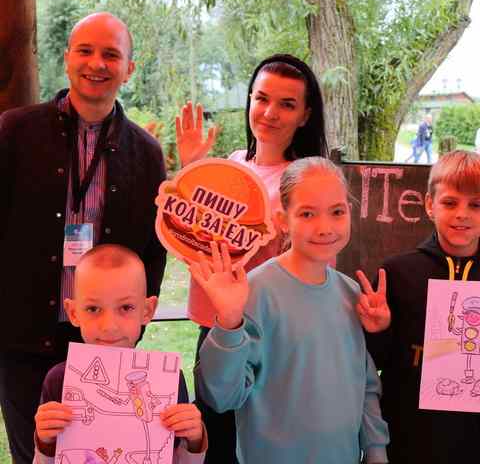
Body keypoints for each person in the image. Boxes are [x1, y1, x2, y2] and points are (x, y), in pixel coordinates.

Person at [0, 12, 167, 464]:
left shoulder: (147, 153)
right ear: (67, 57)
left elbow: (153, 253)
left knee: (103, 454)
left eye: (111, 54)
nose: (97, 63)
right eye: (85, 50)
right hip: (23, 337)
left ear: (129, 69)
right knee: (34, 452)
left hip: (103, 338)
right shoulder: (14, 131)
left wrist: (133, 325)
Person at [173, 54, 329, 463]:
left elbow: (317, 271)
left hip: (268, 339)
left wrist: (288, 244)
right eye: (262, 98)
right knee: (217, 441)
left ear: (305, 115)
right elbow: (192, 236)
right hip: (214, 329)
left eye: (287, 104)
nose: (270, 113)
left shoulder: (306, 180)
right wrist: (192, 171)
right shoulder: (232, 163)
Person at [191, 157, 390, 464]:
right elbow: (221, 396)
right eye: (307, 214)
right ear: (283, 220)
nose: (325, 228)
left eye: (337, 212)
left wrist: (376, 451)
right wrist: (229, 322)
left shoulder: (351, 293)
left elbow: (364, 384)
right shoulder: (255, 292)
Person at [33, 244, 207, 464]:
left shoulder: (169, 381)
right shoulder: (58, 380)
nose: (109, 326)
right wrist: (46, 442)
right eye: (93, 309)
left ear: (147, 310)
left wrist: (194, 440)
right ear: (74, 313)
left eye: (125, 308)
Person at [365, 150, 480, 463]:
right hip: (407, 435)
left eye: (476, 205)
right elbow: (373, 361)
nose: (462, 214)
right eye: (450, 202)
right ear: (430, 204)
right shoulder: (396, 273)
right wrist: (378, 329)